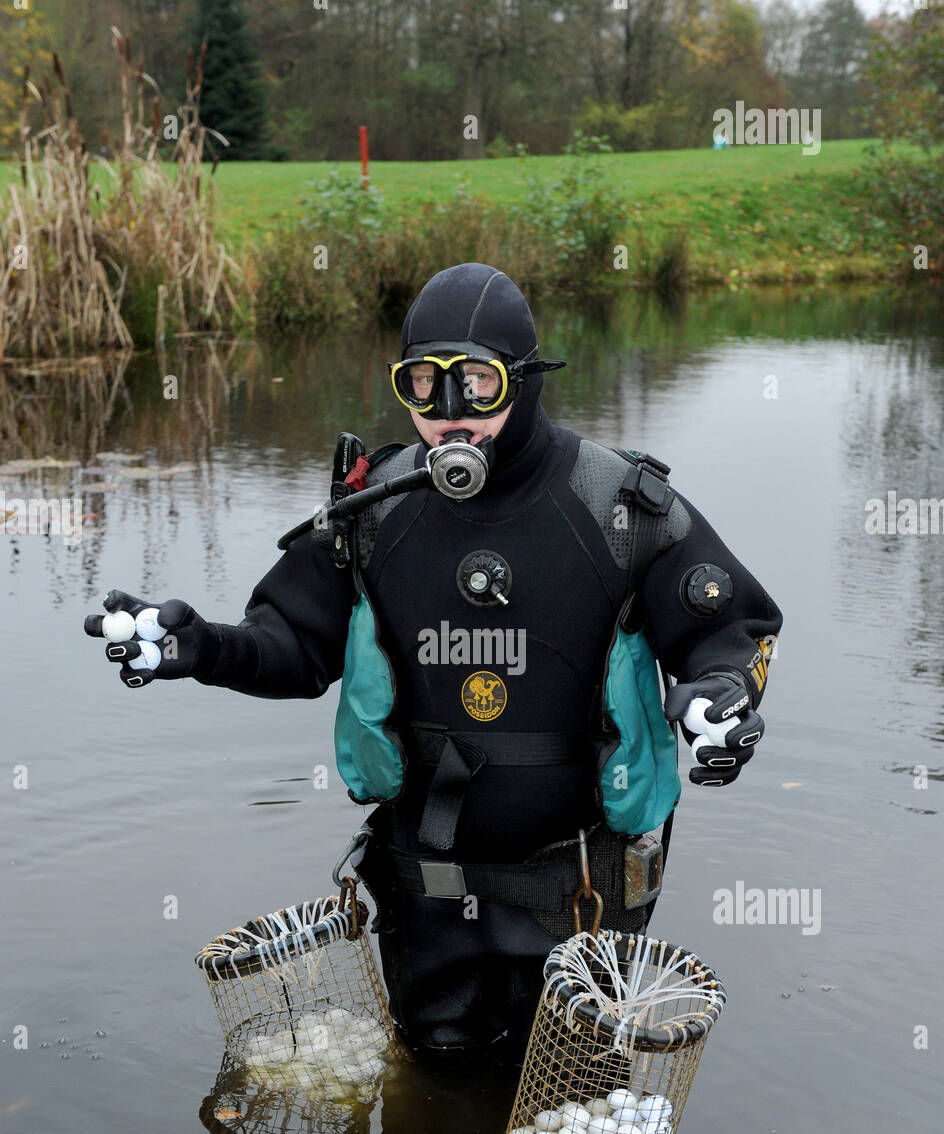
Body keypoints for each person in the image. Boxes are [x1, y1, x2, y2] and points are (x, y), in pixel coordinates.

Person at [85, 263, 782, 1057]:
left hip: (583, 892)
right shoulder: (375, 512)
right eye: (424, 385)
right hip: (427, 888)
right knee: (435, 1078)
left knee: (574, 1111)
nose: (450, 419)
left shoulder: (619, 509)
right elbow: (294, 646)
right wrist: (200, 646)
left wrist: (719, 697)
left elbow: (734, 627)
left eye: (477, 385)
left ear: (525, 380)